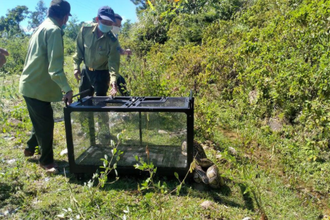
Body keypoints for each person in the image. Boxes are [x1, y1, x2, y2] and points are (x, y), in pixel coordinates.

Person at [19, 0, 73, 174]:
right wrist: (67, 89)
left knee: (40, 120)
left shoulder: (40, 28)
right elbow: (55, 69)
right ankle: (46, 161)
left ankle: (29, 149)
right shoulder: (54, 30)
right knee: (46, 124)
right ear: (65, 17)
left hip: (32, 85)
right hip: (36, 86)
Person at [73, 6, 121, 97]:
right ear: (97, 19)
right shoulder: (85, 30)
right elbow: (78, 49)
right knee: (84, 99)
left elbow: (113, 62)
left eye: (110, 23)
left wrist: (113, 81)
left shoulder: (113, 41)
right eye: (105, 22)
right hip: (86, 70)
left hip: (102, 73)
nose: (107, 25)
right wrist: (76, 67)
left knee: (100, 101)